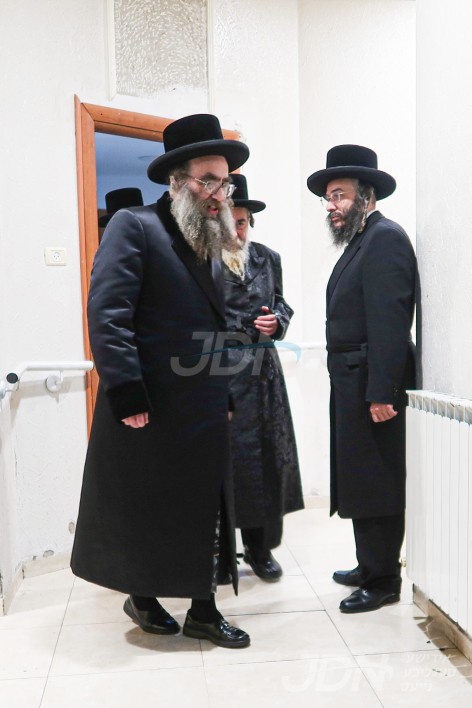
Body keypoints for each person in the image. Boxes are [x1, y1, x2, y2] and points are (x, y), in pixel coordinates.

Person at [71, 114, 251, 648]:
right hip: (150, 402)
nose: (219, 193)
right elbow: (108, 315)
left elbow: (215, 324)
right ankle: (143, 597)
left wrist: (225, 390)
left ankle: (203, 610)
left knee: (204, 510)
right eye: (208, 180)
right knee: (146, 506)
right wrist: (126, 391)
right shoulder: (135, 225)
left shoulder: (210, 238)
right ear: (177, 181)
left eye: (225, 182)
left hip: (202, 402)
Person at [306, 145, 417, 613]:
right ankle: (368, 564)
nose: (331, 206)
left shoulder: (384, 238)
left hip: (372, 383)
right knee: (358, 476)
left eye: (339, 195)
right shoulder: (361, 240)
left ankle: (383, 579)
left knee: (376, 479)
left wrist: (383, 392)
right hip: (352, 381)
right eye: (328, 197)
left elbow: (390, 321)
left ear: (366, 196)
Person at [221, 174, 304, 583]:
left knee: (265, 463)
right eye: (228, 222)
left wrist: (278, 321)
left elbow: (281, 303)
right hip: (219, 372)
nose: (235, 232)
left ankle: (260, 548)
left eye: (241, 223)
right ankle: (219, 553)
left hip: (264, 375)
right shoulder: (199, 261)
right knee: (224, 465)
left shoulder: (268, 258)